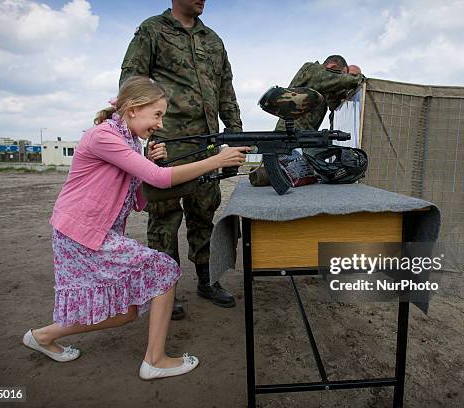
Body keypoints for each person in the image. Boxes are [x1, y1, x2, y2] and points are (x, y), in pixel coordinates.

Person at [22, 76, 249, 380]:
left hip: (93, 233)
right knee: (164, 270)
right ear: (132, 109)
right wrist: (215, 160)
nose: (159, 124)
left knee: (127, 312)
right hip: (80, 232)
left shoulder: (129, 140)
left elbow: (140, 197)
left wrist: (149, 163)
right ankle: (154, 360)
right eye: (156, 114)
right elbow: (158, 180)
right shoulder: (103, 136)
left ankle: (42, 336)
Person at [120, 0, 243, 319]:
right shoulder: (152, 31)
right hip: (166, 144)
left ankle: (206, 280)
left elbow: (225, 88)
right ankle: (164, 289)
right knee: (164, 217)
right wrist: (139, 138)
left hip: (207, 143)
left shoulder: (213, 40)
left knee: (204, 212)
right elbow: (131, 85)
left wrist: (235, 130)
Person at [275, 55, 364, 133]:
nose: (341, 77)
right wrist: (360, 78)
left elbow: (334, 104)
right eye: (342, 74)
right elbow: (345, 81)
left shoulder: (323, 85)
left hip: (301, 135)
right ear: (332, 67)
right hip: (288, 133)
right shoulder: (313, 70)